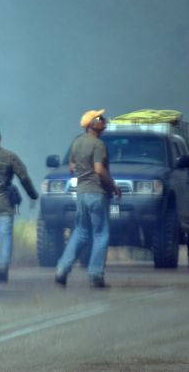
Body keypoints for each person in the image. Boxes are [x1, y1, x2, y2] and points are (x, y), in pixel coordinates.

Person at [54, 109, 121, 288]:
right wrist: (113, 187)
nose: (104, 120)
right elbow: (99, 170)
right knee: (101, 234)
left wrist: (83, 170)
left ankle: (61, 269)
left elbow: (71, 166)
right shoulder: (98, 145)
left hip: (81, 194)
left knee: (81, 232)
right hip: (97, 194)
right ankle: (96, 275)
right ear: (92, 124)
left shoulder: (77, 143)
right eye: (100, 118)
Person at [0, 125, 39, 284]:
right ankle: (3, 264)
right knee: (5, 236)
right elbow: (23, 177)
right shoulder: (10, 156)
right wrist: (33, 195)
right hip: (5, 203)